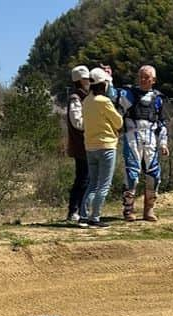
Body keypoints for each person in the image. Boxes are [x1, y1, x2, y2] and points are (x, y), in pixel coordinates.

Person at [117, 65, 168, 222]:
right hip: (132, 137)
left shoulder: (158, 99)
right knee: (132, 174)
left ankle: (149, 210)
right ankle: (128, 209)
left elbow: (162, 123)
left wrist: (163, 143)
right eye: (141, 76)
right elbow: (111, 94)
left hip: (151, 139)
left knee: (154, 175)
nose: (144, 80)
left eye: (147, 77)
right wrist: (107, 77)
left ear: (154, 80)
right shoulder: (128, 94)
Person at [78, 67, 122, 228]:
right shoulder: (104, 102)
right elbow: (119, 122)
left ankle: (83, 215)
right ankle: (94, 218)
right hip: (107, 146)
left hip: (90, 146)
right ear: (102, 84)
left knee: (93, 184)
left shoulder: (86, 102)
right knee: (104, 185)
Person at [65, 65, 90, 224]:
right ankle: (74, 210)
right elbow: (77, 122)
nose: (89, 81)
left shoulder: (85, 96)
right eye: (86, 78)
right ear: (79, 80)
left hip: (87, 144)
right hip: (81, 145)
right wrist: (93, 124)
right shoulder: (76, 98)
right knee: (82, 178)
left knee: (86, 178)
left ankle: (81, 209)